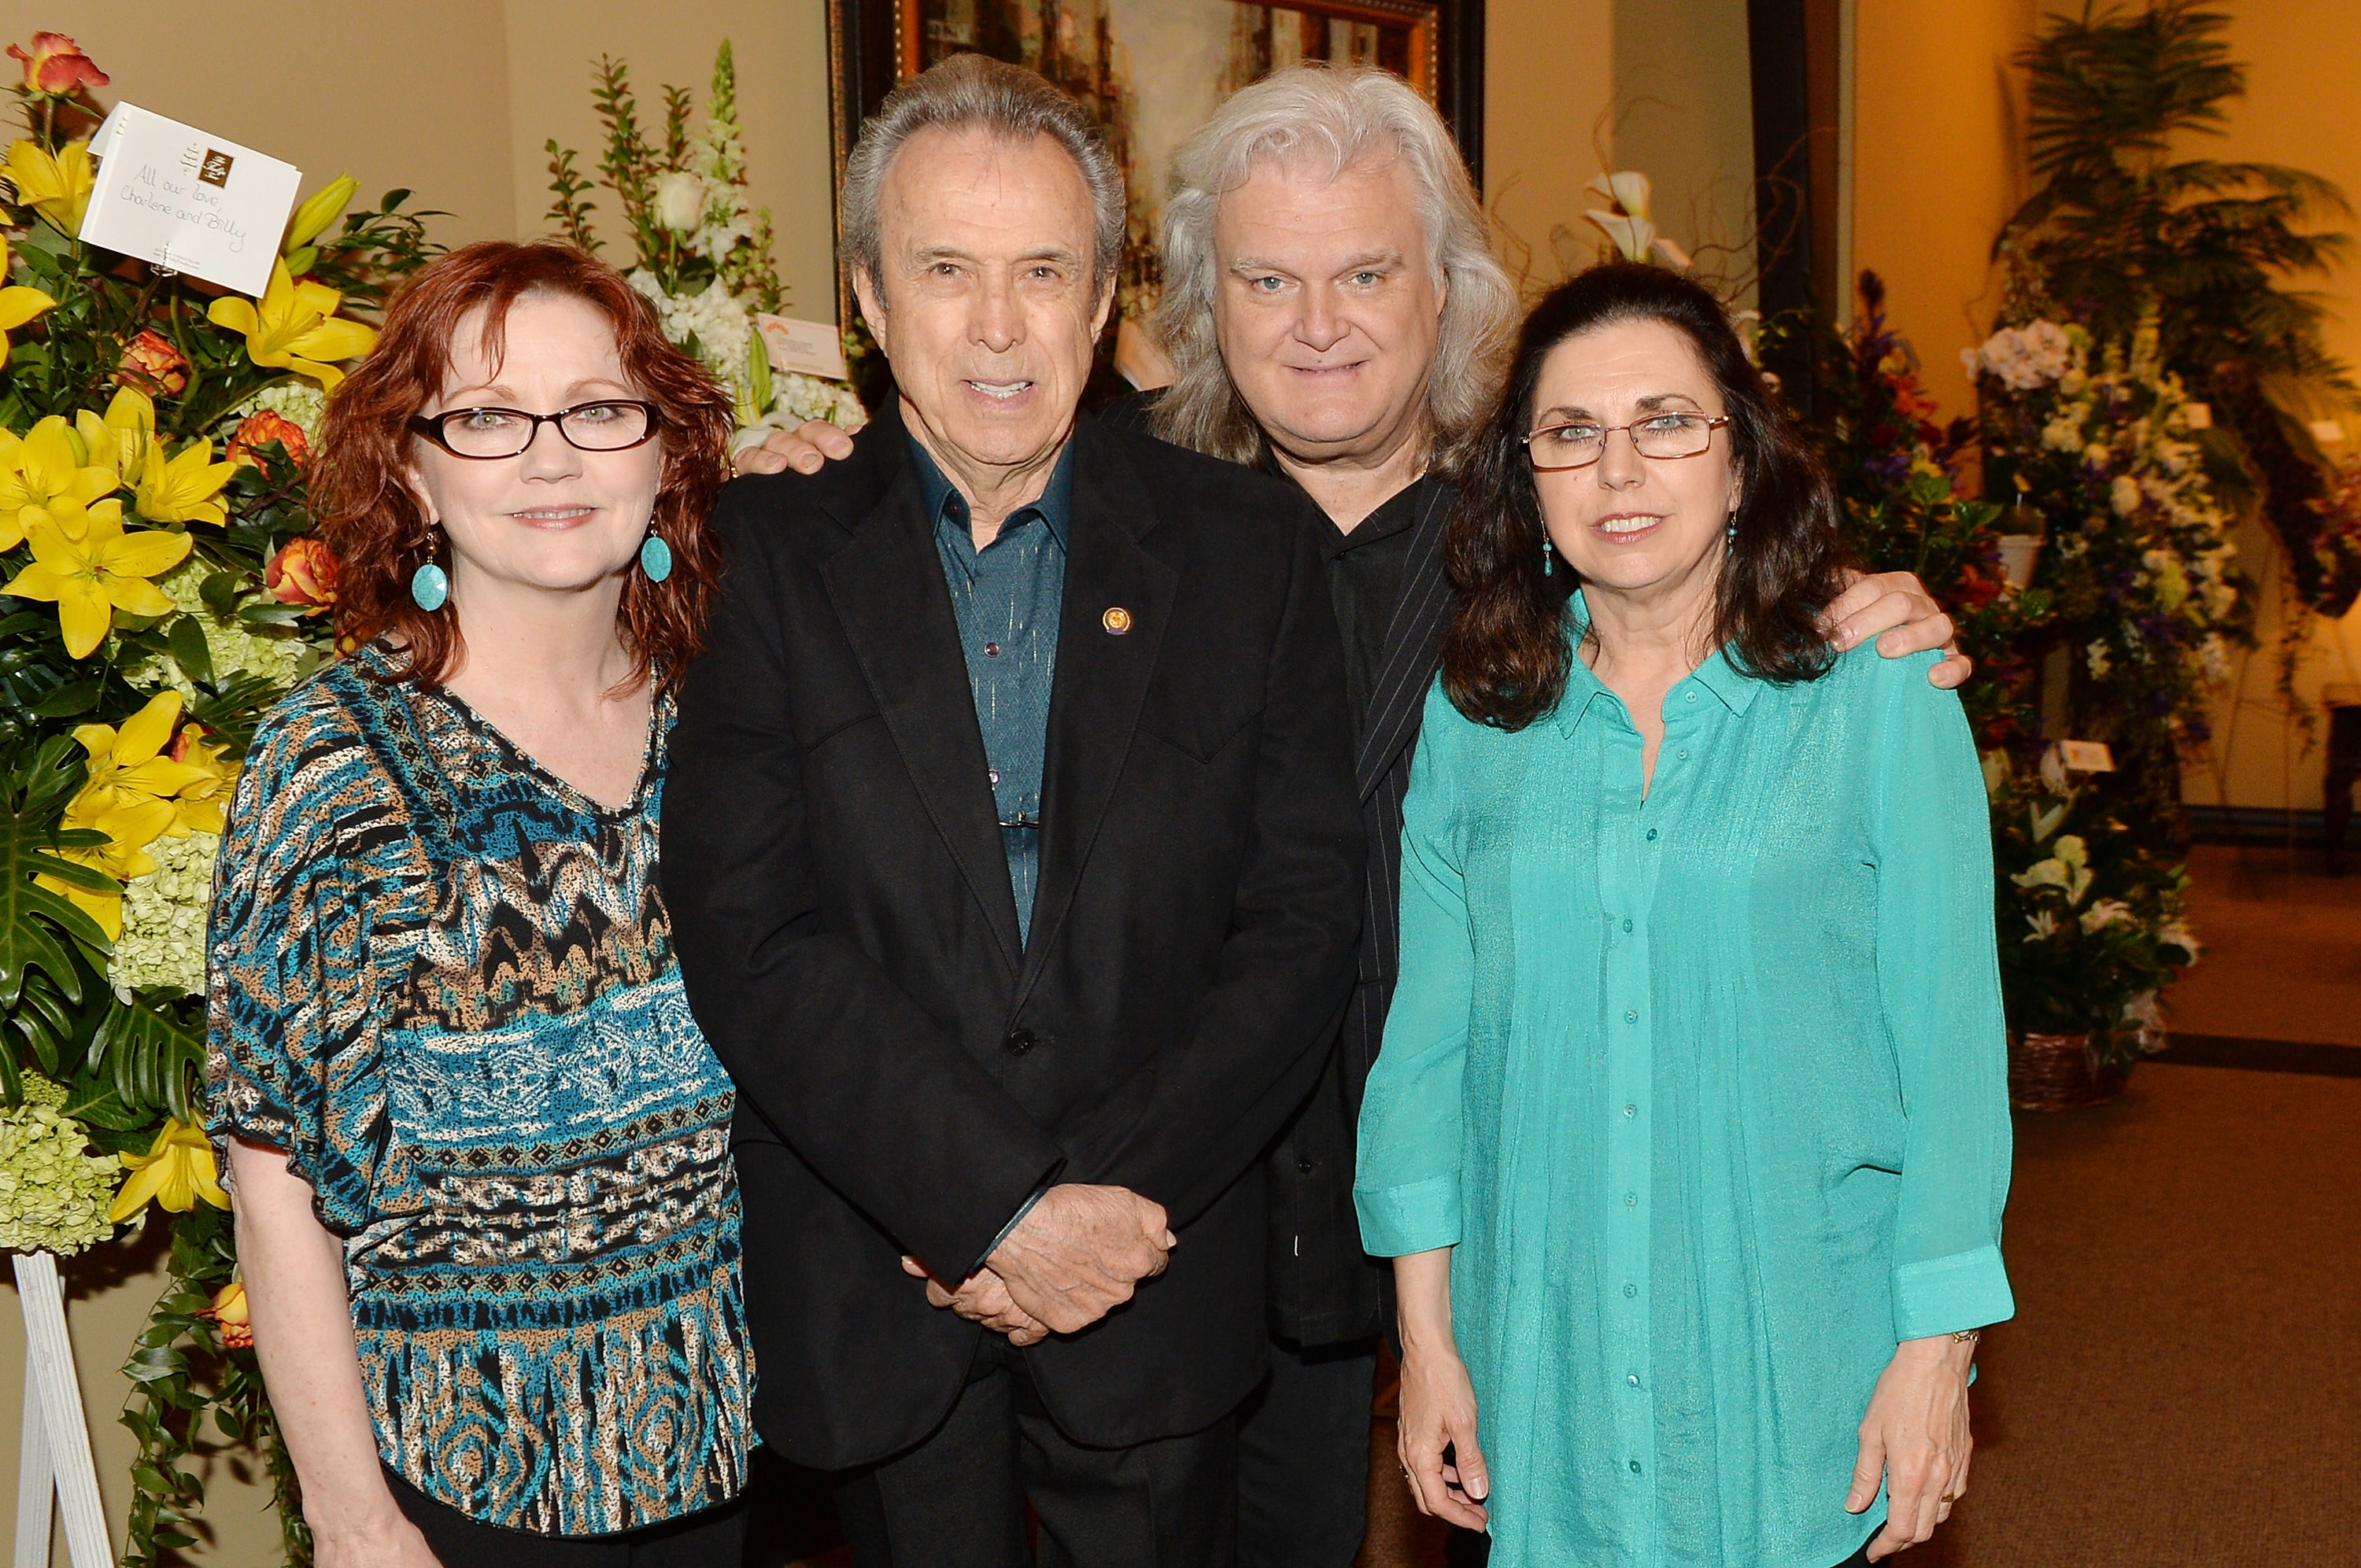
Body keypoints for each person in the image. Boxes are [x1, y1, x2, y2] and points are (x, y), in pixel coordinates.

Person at [741, 63, 1970, 1568]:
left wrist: (1841, 600)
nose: (1318, 323)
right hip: (1163, 1211)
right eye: (1267, 277)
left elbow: (1717, 613)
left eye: (1367, 272)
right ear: (1193, 302)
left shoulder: (1552, 517)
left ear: (1447, 296)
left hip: (1495, 1200)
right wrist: (798, 456)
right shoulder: (1114, 482)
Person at [659, 53, 1364, 1568]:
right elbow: (749, 931)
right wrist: (989, 1204)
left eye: (1043, 271)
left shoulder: (1252, 552)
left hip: (1151, 1268)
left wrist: (1092, 1215)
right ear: (865, 295)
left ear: (1105, 299)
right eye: (945, 270)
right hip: (878, 1277)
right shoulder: (757, 553)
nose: (996, 326)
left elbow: (1299, 922)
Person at [1354, 260, 2016, 1568]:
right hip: (1548, 1362)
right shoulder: (1476, 718)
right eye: (1572, 434)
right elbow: (1423, 1054)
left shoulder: (1881, 695)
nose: (1619, 469)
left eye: (1666, 421)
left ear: (1738, 459)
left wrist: (1939, 1354)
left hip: (1798, 1351)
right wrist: (1427, 1345)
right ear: (1527, 480)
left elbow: (1951, 1054)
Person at [207, 241, 751, 1568]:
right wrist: (350, 1519)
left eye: (599, 409)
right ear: (412, 465)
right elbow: (273, 1176)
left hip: (734, 1454)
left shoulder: (738, 712)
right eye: (490, 419)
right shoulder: (335, 767)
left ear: (663, 452)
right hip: (460, 1488)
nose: (553, 460)